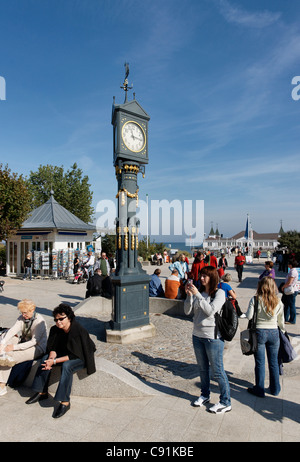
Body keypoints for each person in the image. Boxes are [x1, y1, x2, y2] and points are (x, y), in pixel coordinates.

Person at [26, 303, 96, 418]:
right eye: (56, 319)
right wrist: (50, 360)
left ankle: (65, 402)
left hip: (81, 356)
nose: (58, 322)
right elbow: (53, 348)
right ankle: (42, 392)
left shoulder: (77, 330)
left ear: (69, 317)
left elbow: (74, 355)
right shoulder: (55, 329)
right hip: (65, 354)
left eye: (61, 319)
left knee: (67, 366)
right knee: (44, 358)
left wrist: (54, 362)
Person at [184, 266, 231, 414]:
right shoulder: (200, 292)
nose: (201, 278)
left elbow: (211, 311)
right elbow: (187, 311)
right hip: (197, 335)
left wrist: (197, 294)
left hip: (213, 337)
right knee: (202, 369)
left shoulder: (220, 293)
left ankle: (225, 401)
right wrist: (189, 296)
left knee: (217, 371)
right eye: (201, 276)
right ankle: (205, 394)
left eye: (205, 276)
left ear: (212, 277)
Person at [246, 277, 285, 397]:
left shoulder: (256, 299)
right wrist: (282, 331)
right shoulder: (278, 301)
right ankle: (275, 388)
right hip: (274, 332)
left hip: (259, 331)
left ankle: (260, 388)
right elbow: (281, 320)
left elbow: (249, 316)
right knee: (273, 362)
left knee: (260, 362)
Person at [0, 299, 47, 396]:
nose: (23, 315)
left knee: (9, 356)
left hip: (37, 348)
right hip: (24, 342)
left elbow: (34, 341)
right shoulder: (21, 318)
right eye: (22, 312)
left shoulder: (39, 321)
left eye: (25, 313)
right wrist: (3, 343)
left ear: (32, 310)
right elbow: (13, 330)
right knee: (7, 339)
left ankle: (2, 385)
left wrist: (14, 347)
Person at [281, 260, 298, 324]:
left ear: (291, 265)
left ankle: (292, 320)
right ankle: (286, 318)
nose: (288, 265)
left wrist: (283, 286)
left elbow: (290, 282)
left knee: (291, 305)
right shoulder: (291, 271)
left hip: (291, 290)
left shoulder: (293, 272)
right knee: (287, 304)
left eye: (289, 264)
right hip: (289, 290)